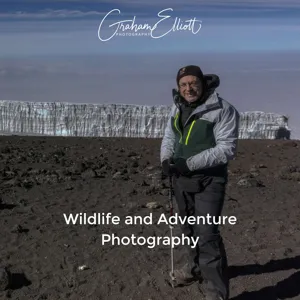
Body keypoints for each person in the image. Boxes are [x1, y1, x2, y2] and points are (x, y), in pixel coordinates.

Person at [160, 65, 240, 300]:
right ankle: (196, 268)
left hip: (209, 180)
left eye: (193, 83)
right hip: (181, 180)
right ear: (178, 87)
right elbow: (169, 137)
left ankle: (216, 293)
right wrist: (166, 159)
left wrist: (189, 164)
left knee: (206, 234)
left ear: (203, 83)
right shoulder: (177, 107)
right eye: (183, 84)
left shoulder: (222, 109)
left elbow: (227, 149)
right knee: (190, 230)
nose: (188, 88)